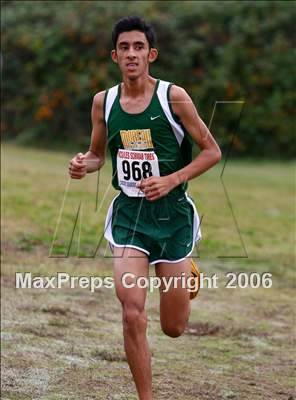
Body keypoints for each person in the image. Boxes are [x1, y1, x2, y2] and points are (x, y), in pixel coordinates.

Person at [69, 16, 221, 400]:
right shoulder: (103, 102)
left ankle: (186, 276)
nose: (132, 54)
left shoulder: (174, 98)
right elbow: (97, 154)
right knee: (132, 310)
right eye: (124, 48)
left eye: (139, 47)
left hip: (173, 218)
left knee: (173, 328)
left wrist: (172, 179)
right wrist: (82, 164)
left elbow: (212, 151)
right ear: (114, 56)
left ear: (151, 54)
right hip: (129, 219)